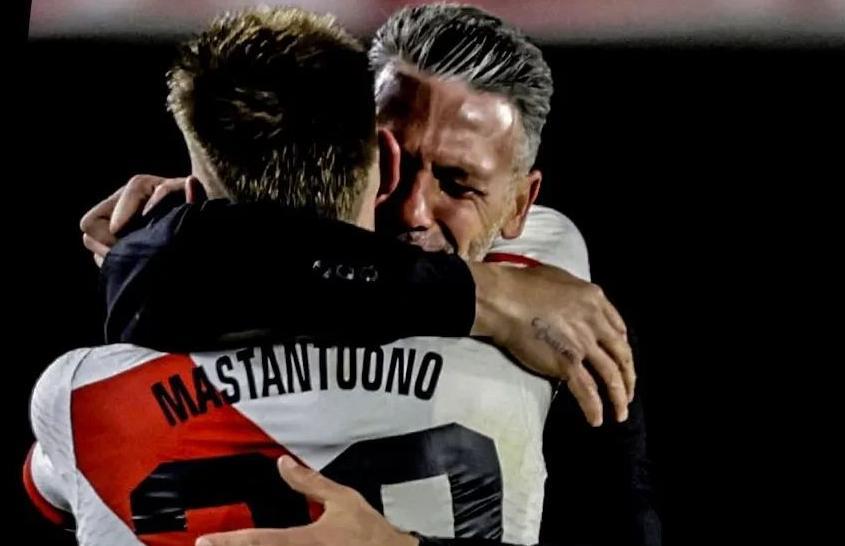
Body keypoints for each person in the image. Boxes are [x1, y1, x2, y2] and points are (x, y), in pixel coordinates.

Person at [27, 7, 640, 546]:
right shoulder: (517, 300)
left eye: (458, 184)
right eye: (393, 161)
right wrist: (480, 294)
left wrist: (189, 224)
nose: (411, 211)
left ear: (520, 205)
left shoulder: (559, 294)